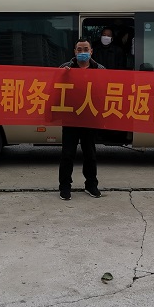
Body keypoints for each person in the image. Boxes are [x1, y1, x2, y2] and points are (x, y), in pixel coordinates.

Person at [57, 38, 105, 200]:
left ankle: (91, 184)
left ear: (91, 51)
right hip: (70, 118)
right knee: (67, 154)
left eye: (85, 49)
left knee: (90, 153)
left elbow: (105, 92)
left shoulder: (100, 70)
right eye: (79, 49)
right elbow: (54, 88)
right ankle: (65, 186)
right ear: (74, 52)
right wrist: (63, 76)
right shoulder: (65, 68)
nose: (82, 52)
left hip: (90, 118)